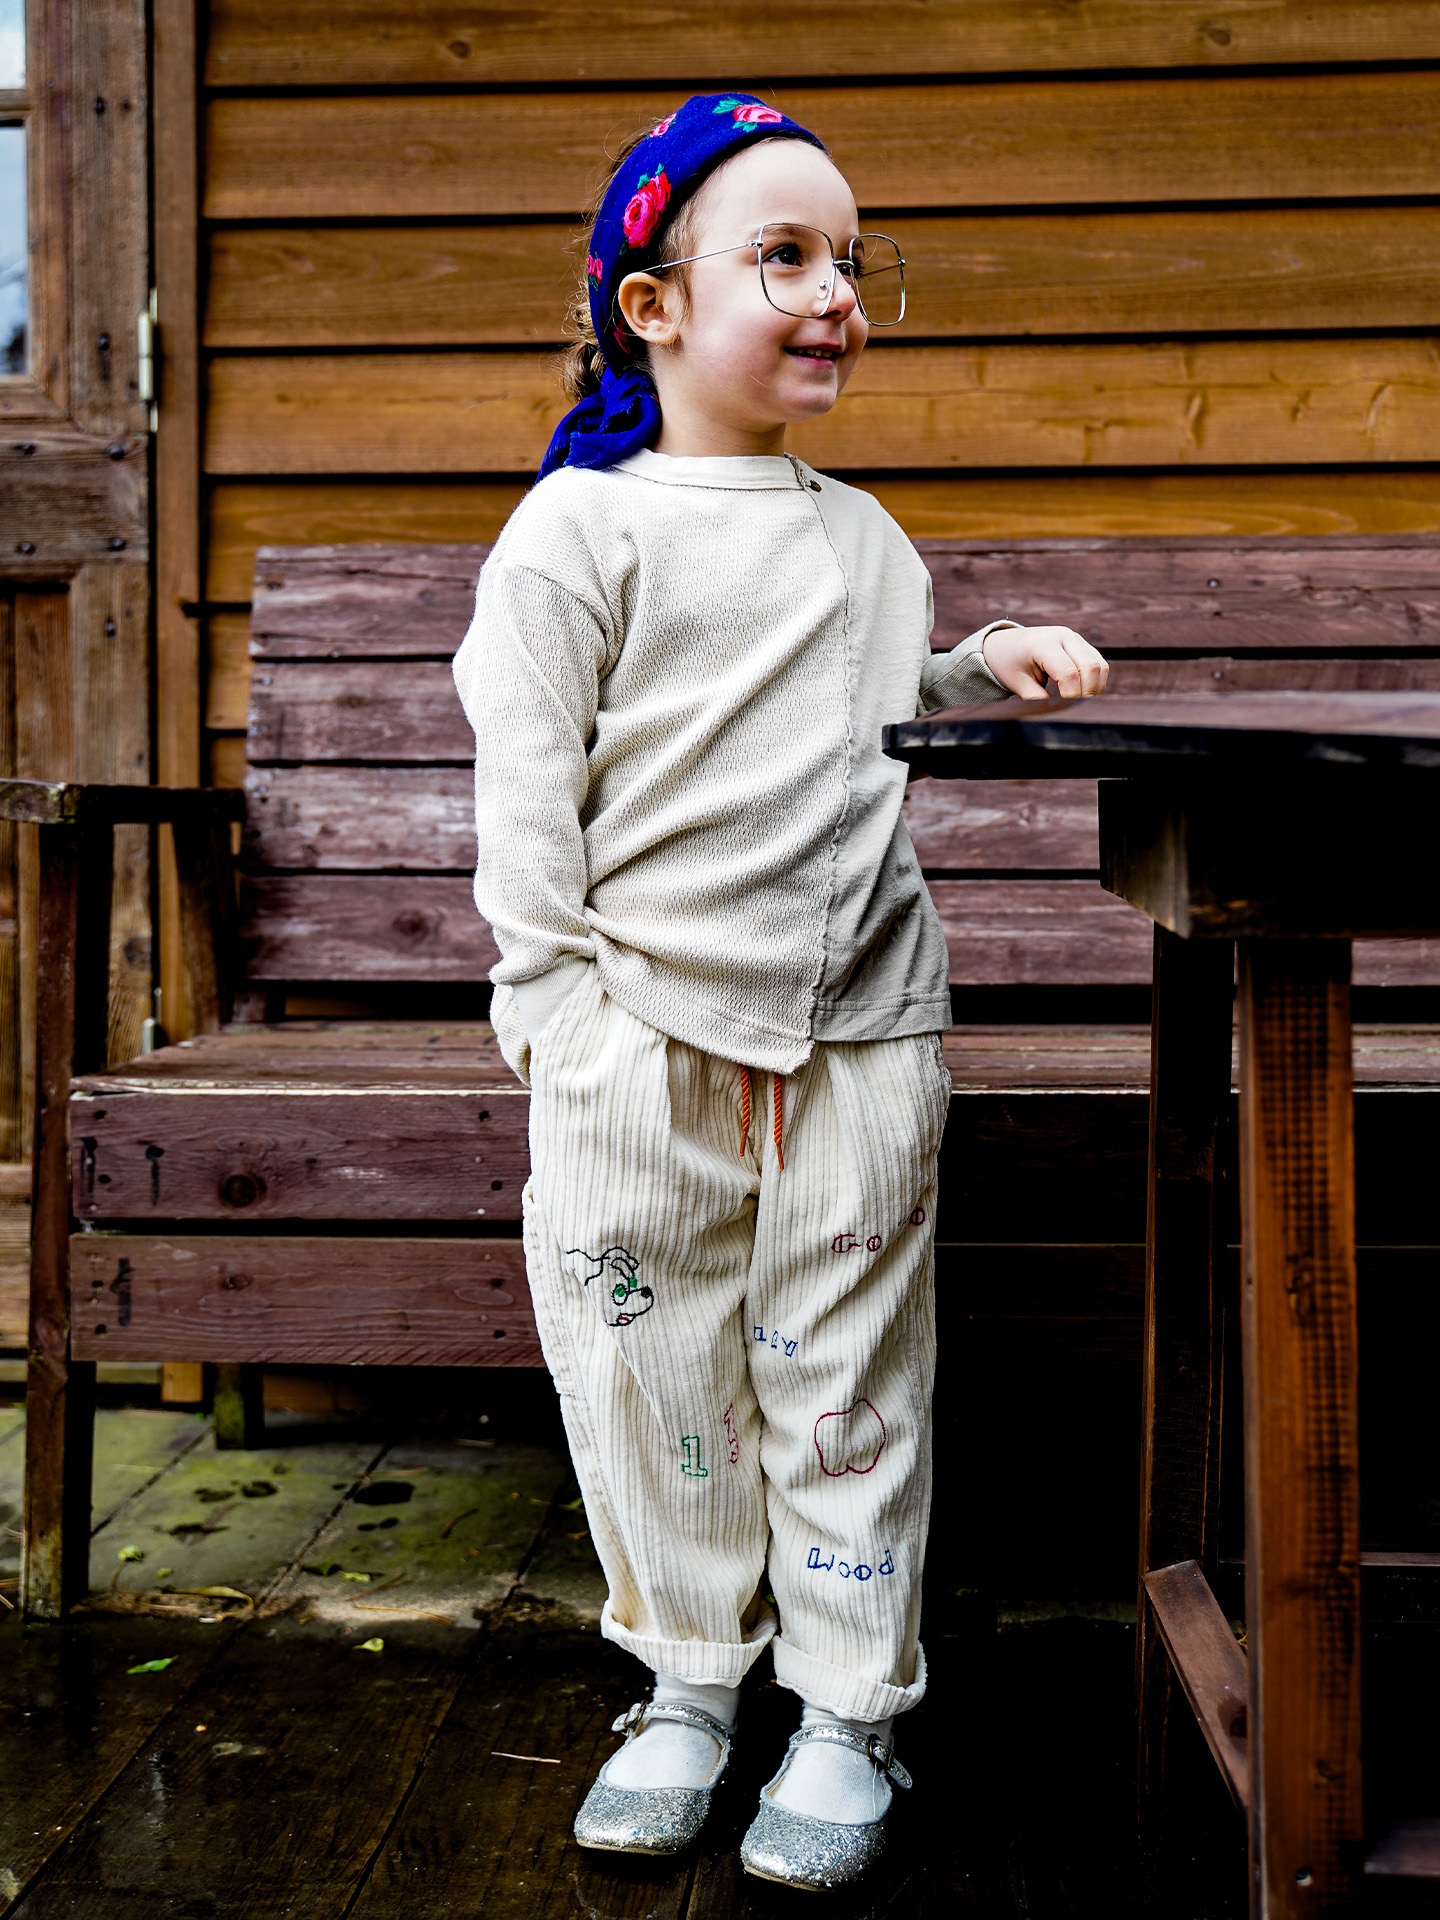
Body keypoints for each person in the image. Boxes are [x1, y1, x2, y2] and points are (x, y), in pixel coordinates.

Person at [452, 91, 1107, 1892]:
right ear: (653, 306)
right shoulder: (579, 534)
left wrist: (982, 661)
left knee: (845, 1379)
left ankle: (844, 1710)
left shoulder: (864, 537)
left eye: (853, 262)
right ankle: (684, 1682)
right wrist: (558, 1023)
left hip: (860, 1035)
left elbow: (860, 699)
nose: (837, 296)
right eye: (786, 258)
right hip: (643, 1042)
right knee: (649, 1367)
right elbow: (526, 800)